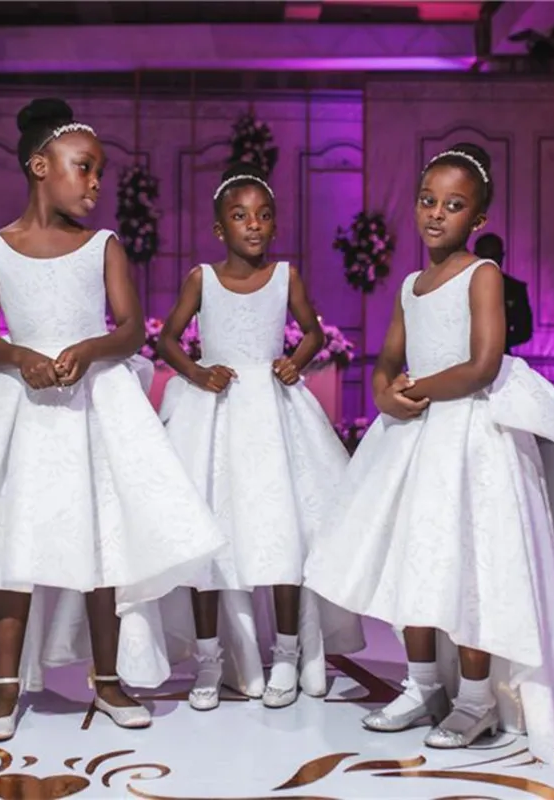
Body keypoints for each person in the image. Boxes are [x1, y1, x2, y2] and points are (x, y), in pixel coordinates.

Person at [0, 98, 222, 741]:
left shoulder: (102, 246)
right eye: (84, 167)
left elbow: (128, 330)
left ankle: (107, 678)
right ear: (41, 166)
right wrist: (20, 357)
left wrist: (89, 348)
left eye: (100, 172)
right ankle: (5, 685)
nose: (96, 182)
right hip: (23, 408)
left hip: (94, 407)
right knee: (15, 543)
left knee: (102, 541)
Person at [304, 144, 554, 762]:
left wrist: (417, 389)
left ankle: (476, 700)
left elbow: (483, 364)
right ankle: (423, 684)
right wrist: (385, 392)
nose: (436, 213)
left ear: (477, 219)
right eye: (427, 200)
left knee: (466, 565)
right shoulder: (411, 285)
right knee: (416, 558)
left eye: (453, 206)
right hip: (414, 437)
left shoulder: (482, 274)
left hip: (467, 437)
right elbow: (387, 359)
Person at [156, 163, 364, 711]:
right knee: (210, 535)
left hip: (272, 414)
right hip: (215, 415)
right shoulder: (201, 278)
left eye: (264, 215)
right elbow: (168, 339)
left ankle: (288, 653)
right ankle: (209, 658)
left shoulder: (285, 277)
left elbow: (313, 331)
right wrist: (198, 371)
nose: (253, 224)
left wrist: (296, 361)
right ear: (219, 228)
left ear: (274, 225)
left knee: (282, 531)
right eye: (240, 216)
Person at [473, 233, 533, 354]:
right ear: (475, 257)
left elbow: (524, 331)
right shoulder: (461, 285)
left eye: (494, 257)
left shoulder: (515, 289)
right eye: (484, 258)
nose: (489, 263)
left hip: (501, 356)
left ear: (502, 257)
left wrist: (496, 341)